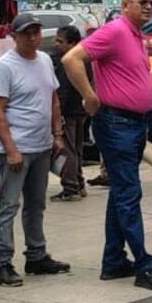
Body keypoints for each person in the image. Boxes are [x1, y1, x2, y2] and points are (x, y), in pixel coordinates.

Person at [62, 0, 152, 291]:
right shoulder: (115, 30)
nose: (148, 6)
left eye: (151, 1)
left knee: (121, 193)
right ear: (126, 6)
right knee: (128, 193)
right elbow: (71, 58)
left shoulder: (137, 35)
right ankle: (144, 264)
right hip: (117, 124)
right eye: (142, 2)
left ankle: (113, 261)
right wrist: (89, 96)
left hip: (134, 124)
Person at [0, 14, 71, 287]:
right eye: (26, 33)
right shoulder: (4, 67)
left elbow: (53, 100)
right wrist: (11, 150)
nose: (33, 38)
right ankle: (2, 262)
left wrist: (57, 134)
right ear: (14, 36)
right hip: (17, 148)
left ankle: (36, 255)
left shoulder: (45, 60)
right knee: (8, 206)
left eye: (36, 32)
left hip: (42, 145)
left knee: (36, 205)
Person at [51, 25, 91, 202]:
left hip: (68, 111)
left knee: (68, 150)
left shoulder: (66, 61)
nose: (56, 44)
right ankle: (79, 183)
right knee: (76, 149)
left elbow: (63, 90)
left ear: (72, 43)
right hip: (80, 110)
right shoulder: (84, 59)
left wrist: (58, 114)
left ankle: (70, 187)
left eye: (61, 41)